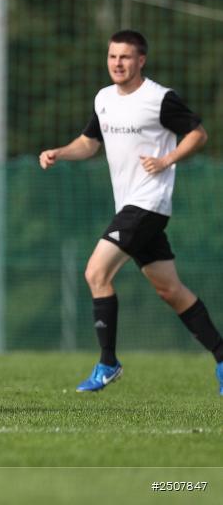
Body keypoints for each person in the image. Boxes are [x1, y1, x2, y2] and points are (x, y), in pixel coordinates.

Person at [40, 29, 223, 395]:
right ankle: (221, 355)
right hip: (130, 206)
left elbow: (198, 134)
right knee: (170, 290)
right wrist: (60, 152)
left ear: (141, 60)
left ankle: (108, 362)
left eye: (125, 57)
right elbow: (89, 143)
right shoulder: (104, 98)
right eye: (112, 57)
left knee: (96, 271)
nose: (118, 63)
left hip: (149, 204)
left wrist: (167, 159)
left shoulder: (159, 99)